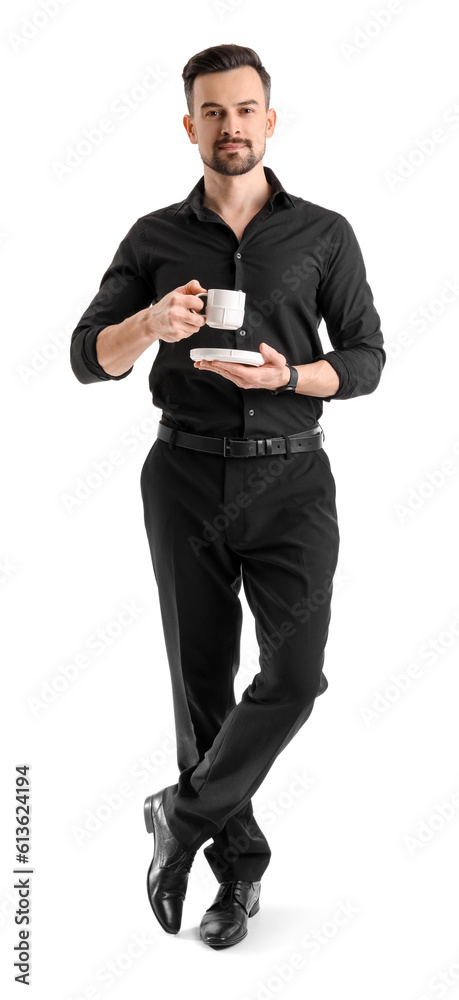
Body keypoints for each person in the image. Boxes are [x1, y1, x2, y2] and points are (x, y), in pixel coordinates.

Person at [70, 43, 385, 950]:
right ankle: (235, 879)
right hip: (182, 473)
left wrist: (301, 374)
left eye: (245, 109)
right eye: (212, 112)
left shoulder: (323, 232)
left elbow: (366, 356)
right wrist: (147, 322)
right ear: (189, 126)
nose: (230, 126)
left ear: (270, 119)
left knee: (294, 676)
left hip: (293, 476)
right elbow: (87, 358)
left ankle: (181, 811)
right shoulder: (153, 237)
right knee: (201, 687)